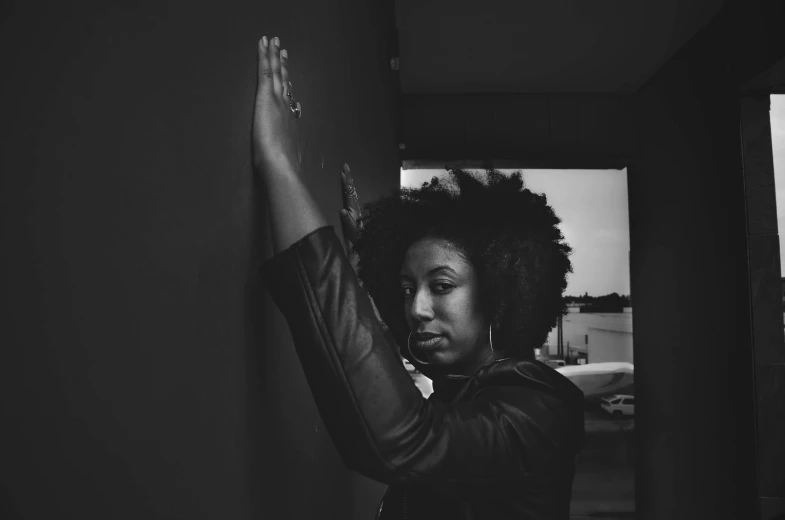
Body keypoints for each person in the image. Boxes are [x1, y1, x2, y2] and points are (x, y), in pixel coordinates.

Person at [253, 36, 585, 520]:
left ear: (497, 296)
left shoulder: (539, 407)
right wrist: (368, 263)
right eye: (408, 289)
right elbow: (398, 338)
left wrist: (279, 167)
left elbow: (402, 440)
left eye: (442, 285)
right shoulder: (463, 385)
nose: (415, 308)